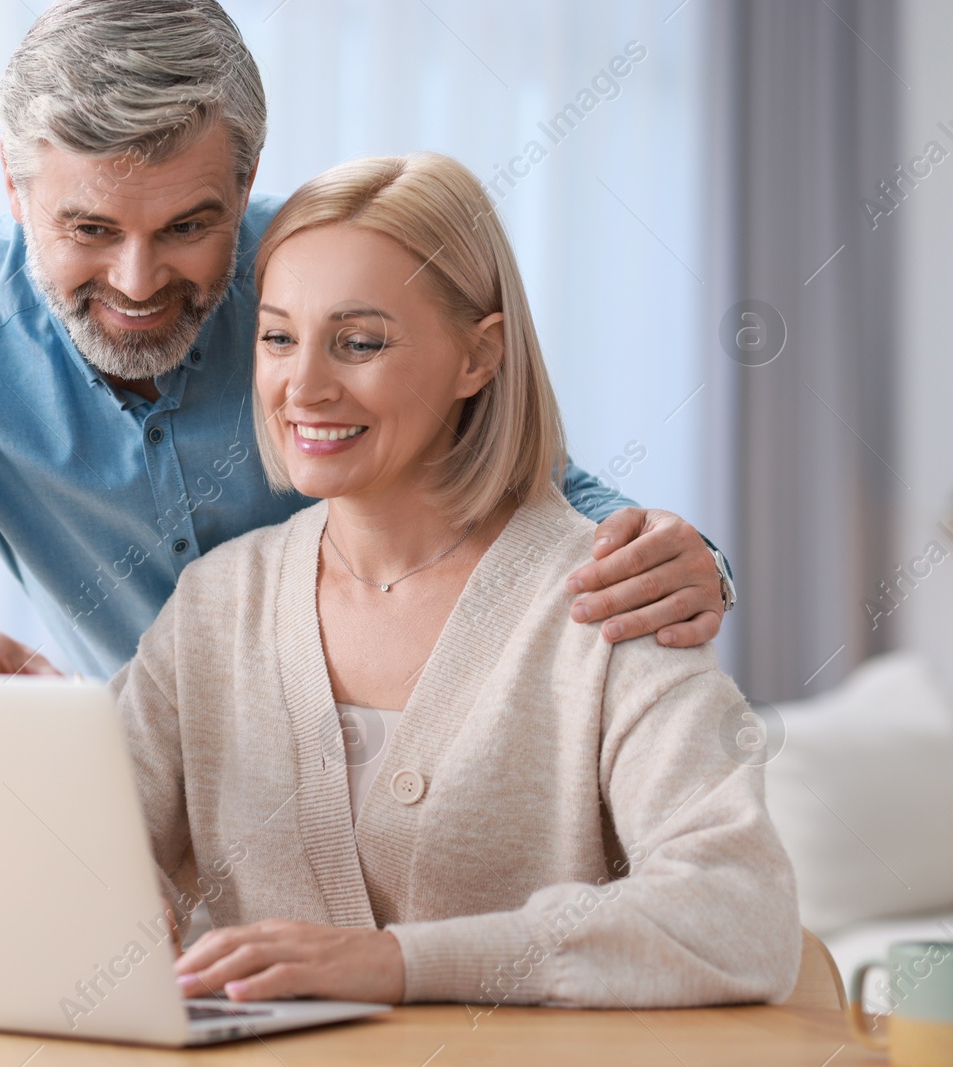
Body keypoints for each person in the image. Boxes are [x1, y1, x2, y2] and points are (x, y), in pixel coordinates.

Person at [0, 0, 735, 681]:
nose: (138, 282)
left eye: (190, 227)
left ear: (245, 184)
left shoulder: (327, 274)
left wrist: (684, 559)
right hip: (154, 804)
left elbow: (532, 478)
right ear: (13, 184)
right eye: (91, 230)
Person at [113, 154, 800, 1007]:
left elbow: (743, 915)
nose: (306, 386)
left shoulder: (610, 602)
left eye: (360, 343)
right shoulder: (216, 606)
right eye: (279, 337)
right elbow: (69, 840)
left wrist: (398, 965)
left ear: (480, 356)